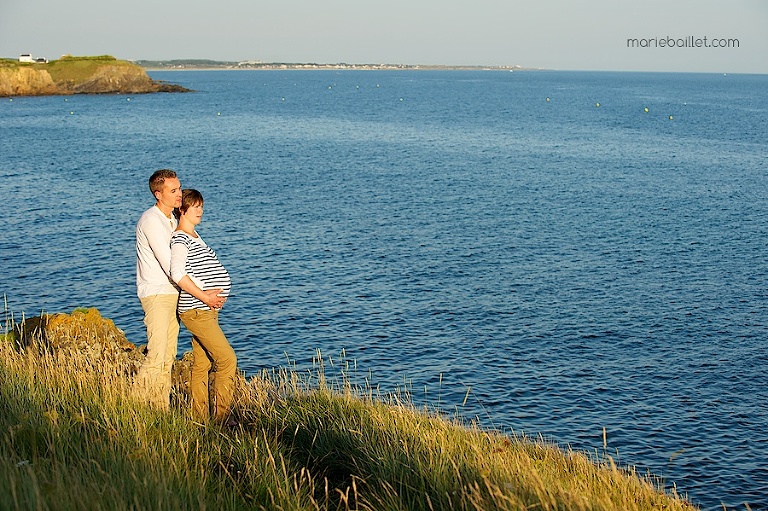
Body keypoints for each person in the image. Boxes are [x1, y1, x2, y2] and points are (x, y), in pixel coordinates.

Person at [170, 189, 237, 422]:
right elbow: (177, 273)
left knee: (202, 363)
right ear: (182, 210)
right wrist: (205, 297)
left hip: (206, 310)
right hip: (197, 310)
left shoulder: (194, 236)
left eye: (201, 206)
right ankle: (221, 418)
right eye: (195, 207)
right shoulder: (180, 239)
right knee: (227, 359)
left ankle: (198, 418)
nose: (200, 210)